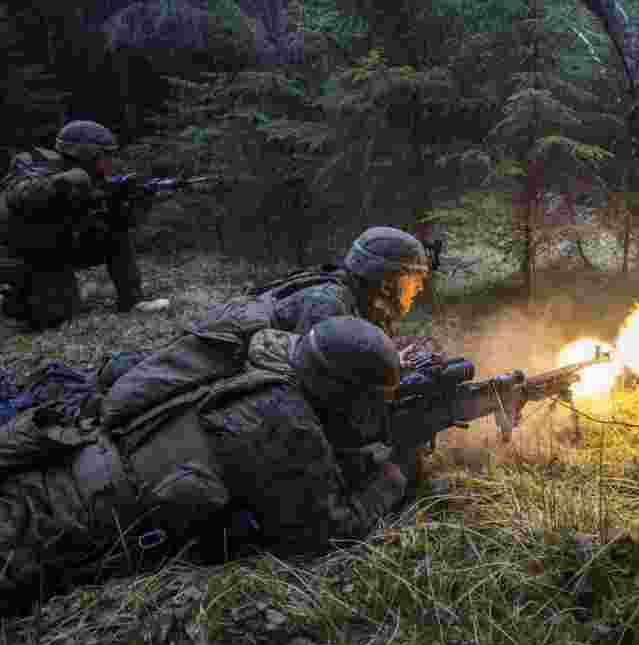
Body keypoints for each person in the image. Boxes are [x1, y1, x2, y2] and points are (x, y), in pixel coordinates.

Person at [0, 316, 412, 614]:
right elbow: (323, 533)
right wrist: (390, 479)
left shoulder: (263, 355)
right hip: (59, 525)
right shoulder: (286, 423)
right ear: (341, 394)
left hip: (66, 465)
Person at [0, 120, 156, 329]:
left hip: (55, 251)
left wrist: (133, 204)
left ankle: (133, 299)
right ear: (86, 153)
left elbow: (114, 224)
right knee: (52, 318)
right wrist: (63, 183)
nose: (109, 161)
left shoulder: (95, 179)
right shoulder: (35, 162)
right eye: (105, 155)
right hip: (17, 255)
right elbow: (19, 196)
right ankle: (11, 298)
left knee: (115, 232)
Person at [249, 225, 430, 338]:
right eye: (414, 279)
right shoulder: (328, 306)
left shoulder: (363, 306)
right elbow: (315, 382)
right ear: (387, 283)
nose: (420, 288)